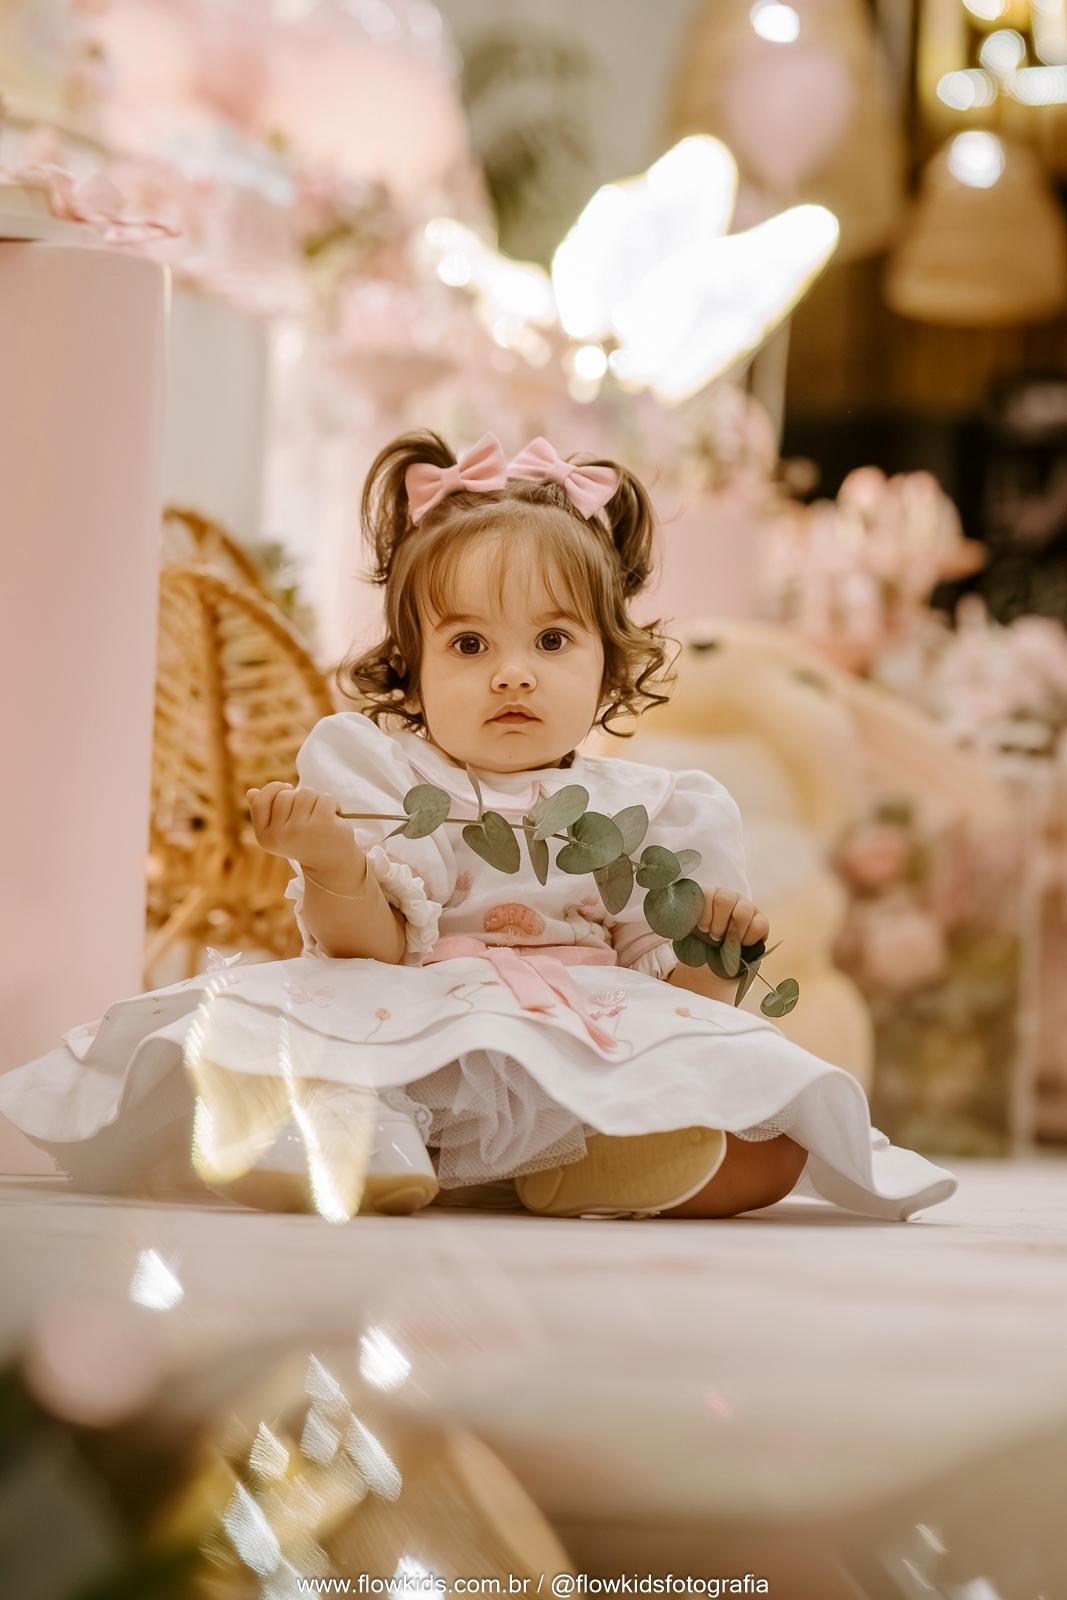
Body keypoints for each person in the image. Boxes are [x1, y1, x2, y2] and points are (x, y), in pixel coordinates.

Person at [0, 432, 956, 1221]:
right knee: (321, 1041)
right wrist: (333, 861)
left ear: (608, 666)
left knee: (775, 1142)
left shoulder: (659, 808)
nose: (512, 672)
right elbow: (368, 947)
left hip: (587, 1031)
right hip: (416, 1010)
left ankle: (593, 1162)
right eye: (467, 643)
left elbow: (679, 999)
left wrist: (710, 954)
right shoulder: (381, 774)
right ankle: (359, 1146)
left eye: (552, 640)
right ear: (409, 672)